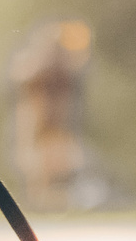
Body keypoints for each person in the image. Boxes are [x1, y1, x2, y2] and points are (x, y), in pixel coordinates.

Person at [10, 19, 97, 209]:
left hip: (53, 117)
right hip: (39, 115)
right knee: (40, 159)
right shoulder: (39, 61)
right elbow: (22, 78)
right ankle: (39, 199)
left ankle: (50, 199)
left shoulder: (61, 61)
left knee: (54, 159)